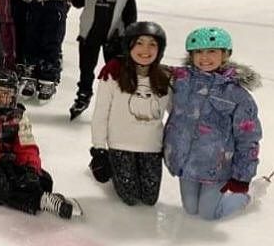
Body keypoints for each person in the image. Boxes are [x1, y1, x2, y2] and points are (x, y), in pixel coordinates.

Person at [164, 27, 266, 220]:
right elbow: (146, 66)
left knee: (208, 213)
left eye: (212, 51)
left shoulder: (236, 94)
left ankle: (250, 195)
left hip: (217, 166)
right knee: (190, 209)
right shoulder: (181, 80)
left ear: (225, 55)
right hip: (186, 160)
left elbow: (248, 138)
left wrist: (242, 177)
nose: (205, 58)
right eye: (198, 52)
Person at [0, 68, 82, 219]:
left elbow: (27, 148)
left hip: (8, 164)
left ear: (13, 96)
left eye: (5, 94)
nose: (0, 98)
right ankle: (42, 201)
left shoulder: (18, 116)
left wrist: (31, 170)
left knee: (43, 181)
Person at [89, 22, 170, 206]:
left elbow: (177, 112)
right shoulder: (114, 72)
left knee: (149, 199)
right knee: (130, 197)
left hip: (151, 147)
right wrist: (99, 149)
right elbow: (101, 112)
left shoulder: (166, 76)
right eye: (139, 43)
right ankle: (112, 166)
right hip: (121, 145)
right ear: (129, 46)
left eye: (152, 44)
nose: (145, 50)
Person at [68, 0, 138, 120]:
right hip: (89, 34)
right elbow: (78, 3)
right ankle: (83, 95)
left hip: (115, 38)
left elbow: (130, 13)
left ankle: (116, 98)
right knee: (86, 68)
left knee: (114, 72)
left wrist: (130, 37)